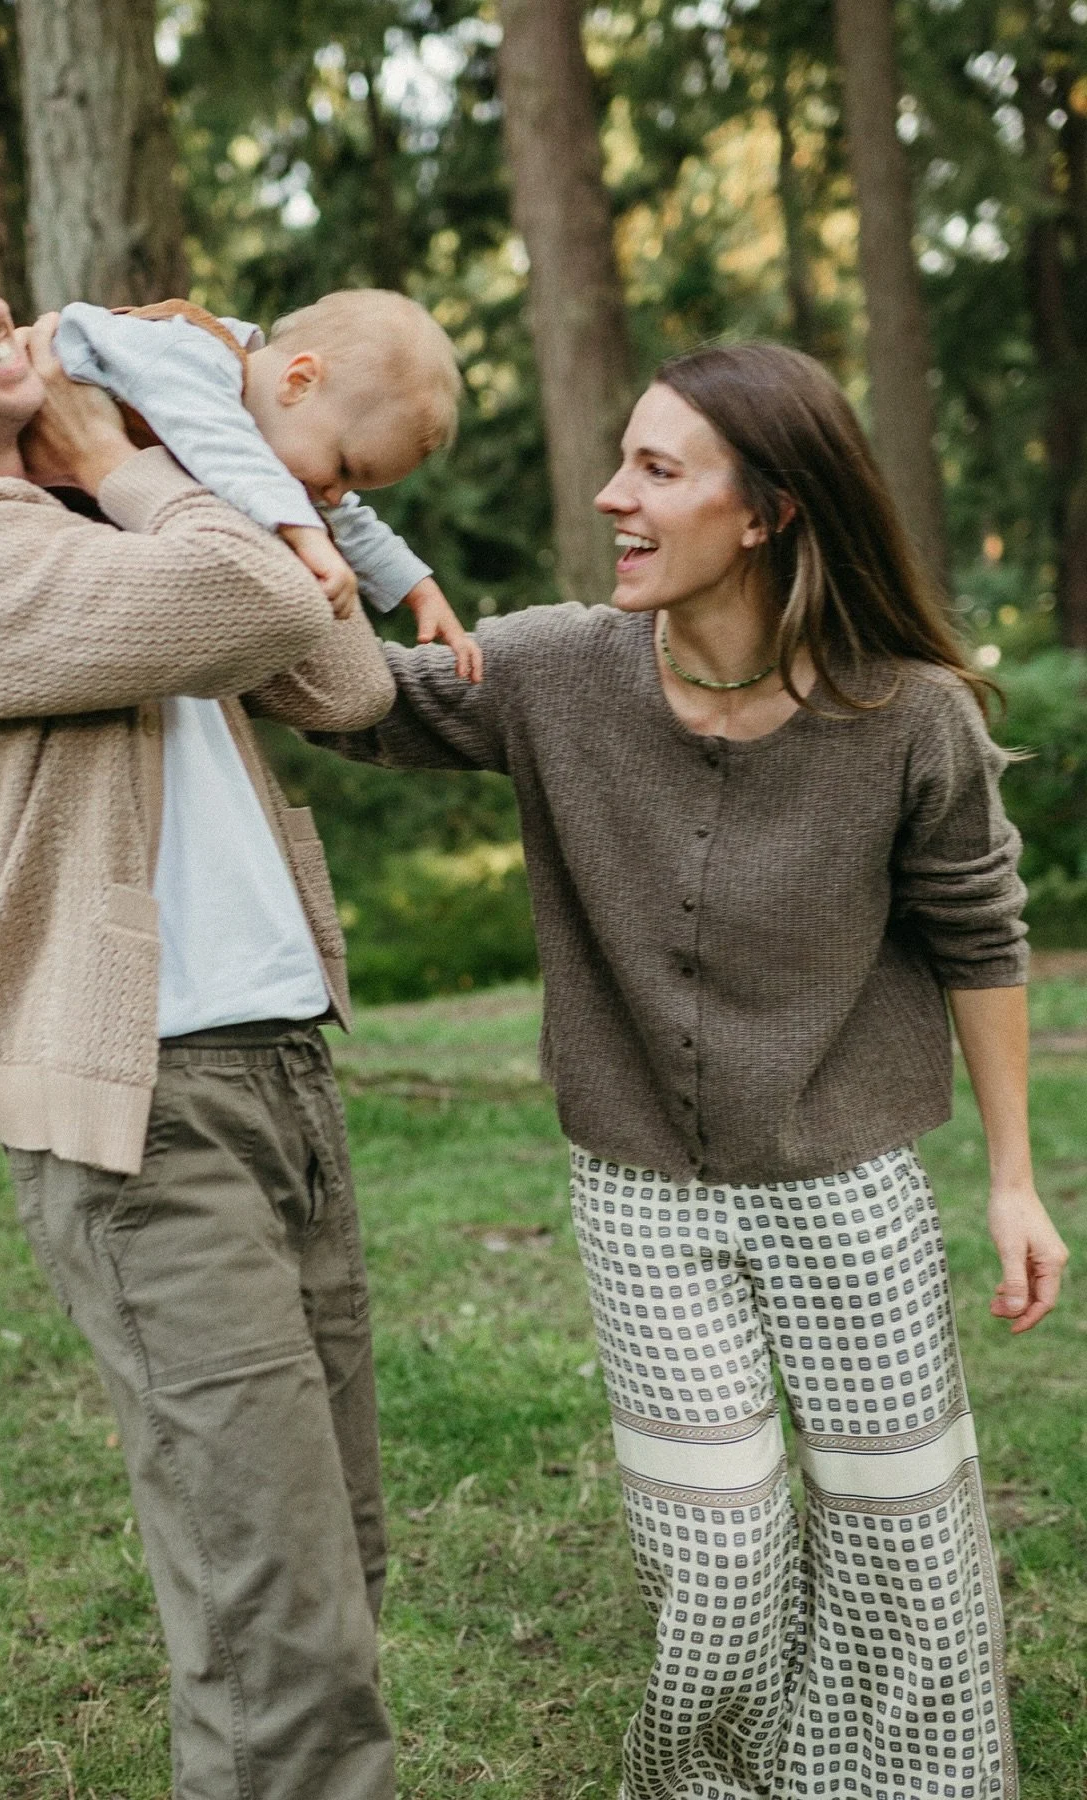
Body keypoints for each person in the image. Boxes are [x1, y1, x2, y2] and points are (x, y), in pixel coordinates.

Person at [314, 341, 1068, 1800]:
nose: (612, 495)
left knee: (904, 1544)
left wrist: (1016, 1182)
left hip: (848, 1185)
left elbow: (985, 938)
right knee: (719, 1564)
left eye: (658, 469)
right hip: (643, 1199)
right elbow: (344, 693)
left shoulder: (911, 717)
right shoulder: (551, 671)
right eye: (623, 461)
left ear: (772, 510)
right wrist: (225, 485)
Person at [0, 179, 399, 1800]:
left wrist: (137, 477)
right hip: (151, 1126)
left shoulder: (87, 525)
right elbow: (262, 599)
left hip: (281, 1082)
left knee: (334, 1589)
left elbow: (349, 674)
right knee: (281, 1649)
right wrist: (126, 465)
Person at [54, 291, 482, 680]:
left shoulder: (274, 449)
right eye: (343, 466)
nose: (334, 494)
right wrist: (307, 537)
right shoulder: (188, 356)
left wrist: (418, 589)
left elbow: (345, 518)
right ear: (299, 382)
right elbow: (224, 447)